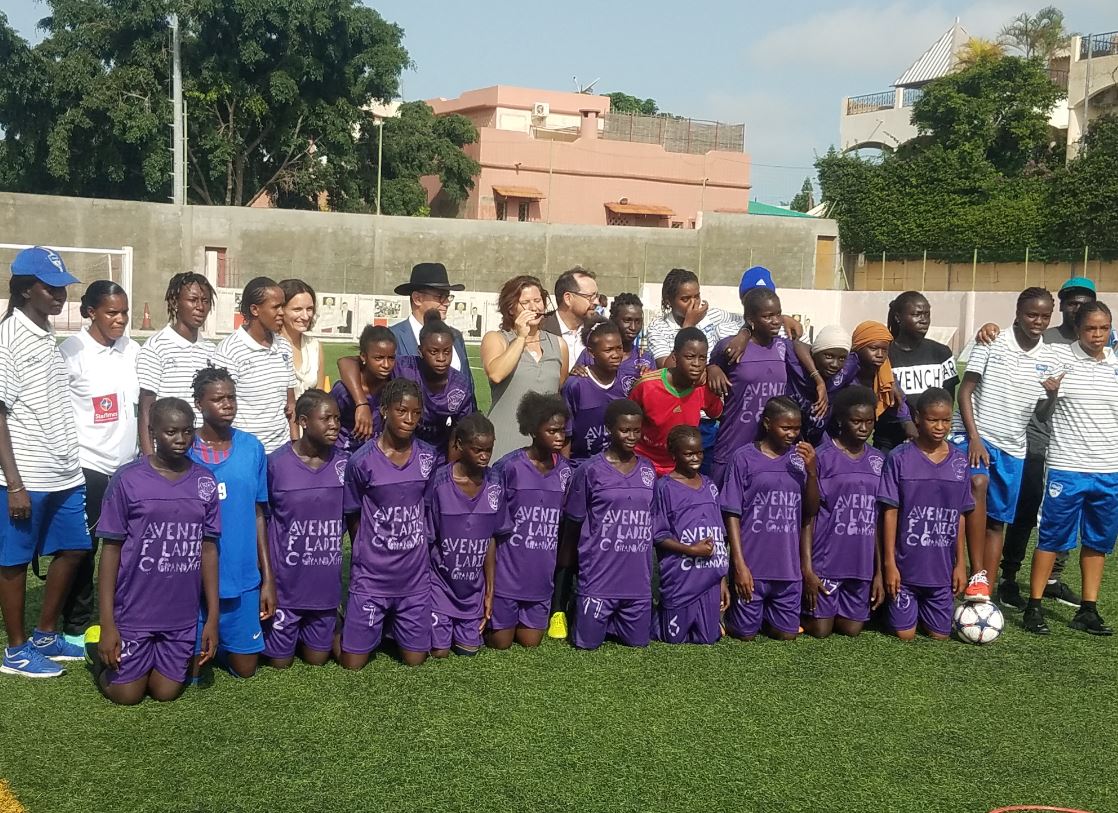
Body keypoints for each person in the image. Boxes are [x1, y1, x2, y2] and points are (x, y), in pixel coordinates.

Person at [974, 277, 1095, 609]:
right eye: (1072, 302)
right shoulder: (1048, 339)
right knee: (1023, 509)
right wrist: (988, 328)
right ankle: (1007, 577)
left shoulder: (1101, 341)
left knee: (1065, 512)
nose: (1079, 308)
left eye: (1086, 302)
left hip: (1077, 445)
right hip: (1033, 439)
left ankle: (1054, 578)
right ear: (1062, 306)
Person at [0, 247, 92, 677]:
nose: (59, 295)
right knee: (14, 560)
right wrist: (14, 483)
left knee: (75, 547)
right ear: (23, 290)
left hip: (64, 471)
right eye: (50, 288)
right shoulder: (9, 338)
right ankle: (16, 650)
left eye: (62, 288)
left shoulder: (45, 333)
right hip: (27, 474)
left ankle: (45, 634)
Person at [91, 398, 220, 704]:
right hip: (135, 610)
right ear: (151, 432)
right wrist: (107, 624)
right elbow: (110, 551)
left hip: (181, 614)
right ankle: (95, 652)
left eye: (187, 431)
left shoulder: (205, 481)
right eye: (171, 432)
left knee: (166, 693)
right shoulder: (128, 479)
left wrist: (212, 617)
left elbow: (209, 550)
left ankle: (150, 658)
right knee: (127, 695)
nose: (180, 440)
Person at [951, 288, 1056, 605]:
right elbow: (964, 391)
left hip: (1014, 448)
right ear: (1018, 312)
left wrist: (1051, 396)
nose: (1037, 321)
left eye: (1044, 316)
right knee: (971, 493)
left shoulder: (1048, 357)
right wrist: (975, 437)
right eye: (1031, 314)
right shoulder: (992, 340)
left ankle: (985, 592)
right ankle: (963, 575)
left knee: (997, 521)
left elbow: (1041, 414)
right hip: (975, 437)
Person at [1024, 302, 1118, 636]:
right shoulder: (1059, 359)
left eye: (1103, 328)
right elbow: (1042, 414)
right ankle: (1034, 607)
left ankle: (1088, 610)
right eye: (1091, 328)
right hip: (1067, 467)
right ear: (1078, 329)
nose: (1098, 335)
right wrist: (1051, 395)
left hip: (1109, 471)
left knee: (1098, 542)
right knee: (1052, 537)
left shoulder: (1116, 364)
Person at [58, 280, 140, 647]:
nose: (121, 319)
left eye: (124, 311)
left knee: (126, 545)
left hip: (127, 467)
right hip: (87, 466)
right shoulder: (71, 352)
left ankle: (125, 614)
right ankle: (75, 625)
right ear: (90, 311)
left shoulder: (132, 349)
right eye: (112, 312)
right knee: (84, 547)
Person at [340, 379, 434, 668]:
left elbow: (426, 507)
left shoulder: (428, 456)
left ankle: (393, 626)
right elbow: (352, 512)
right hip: (372, 577)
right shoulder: (361, 461)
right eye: (401, 410)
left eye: (416, 413)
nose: (409, 419)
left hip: (414, 577)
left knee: (416, 660)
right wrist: (365, 551)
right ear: (384, 411)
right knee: (352, 664)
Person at [188, 367, 275, 678]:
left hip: (242, 580)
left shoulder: (252, 448)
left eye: (231, 398)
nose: (227, 405)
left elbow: (258, 513)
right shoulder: (183, 449)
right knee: (192, 672)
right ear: (199, 403)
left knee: (245, 670)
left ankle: (227, 639)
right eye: (218, 399)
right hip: (194, 584)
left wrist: (267, 579)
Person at [719, 396, 818, 641]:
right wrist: (739, 565)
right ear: (766, 423)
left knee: (786, 636)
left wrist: (812, 472)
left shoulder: (800, 459)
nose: (792, 434)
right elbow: (732, 512)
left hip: (788, 569)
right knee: (745, 635)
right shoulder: (743, 458)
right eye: (785, 427)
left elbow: (811, 510)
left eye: (796, 429)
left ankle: (770, 614)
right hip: (753, 567)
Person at [878, 388, 974, 641]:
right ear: (918, 418)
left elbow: (961, 515)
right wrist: (889, 564)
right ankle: (890, 610)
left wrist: (960, 565)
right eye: (933, 420)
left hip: (940, 572)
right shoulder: (899, 458)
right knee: (904, 634)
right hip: (905, 572)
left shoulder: (959, 461)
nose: (940, 426)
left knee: (940, 635)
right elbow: (890, 511)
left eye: (945, 420)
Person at [562, 399, 656, 650]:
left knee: (638, 644)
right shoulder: (589, 470)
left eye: (636, 430)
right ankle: (576, 602)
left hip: (637, 584)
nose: (631, 436)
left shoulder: (648, 470)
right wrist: (567, 571)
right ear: (609, 429)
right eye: (625, 430)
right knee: (587, 645)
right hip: (598, 580)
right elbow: (573, 522)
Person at [262, 389, 345, 668]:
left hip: (325, 589)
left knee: (317, 660)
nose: (334, 424)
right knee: (279, 663)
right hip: (286, 588)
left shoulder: (346, 463)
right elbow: (263, 517)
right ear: (304, 421)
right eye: (326, 418)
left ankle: (336, 620)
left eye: (337, 418)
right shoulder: (275, 464)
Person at [708, 288, 825, 486]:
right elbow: (712, 362)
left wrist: (818, 379)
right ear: (751, 319)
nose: (776, 321)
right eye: (768, 316)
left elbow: (803, 347)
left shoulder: (782, 347)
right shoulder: (733, 346)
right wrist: (713, 367)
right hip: (735, 440)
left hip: (772, 446)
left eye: (778, 314)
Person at [488, 393, 572, 650]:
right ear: (534, 430)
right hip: (508, 577)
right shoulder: (508, 467)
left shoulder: (567, 472)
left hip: (540, 580)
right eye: (552, 431)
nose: (560, 437)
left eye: (562, 431)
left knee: (530, 643)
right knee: (501, 644)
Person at [800, 386, 885, 638]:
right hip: (827, 560)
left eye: (869, 421)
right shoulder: (823, 457)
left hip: (861, 563)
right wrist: (808, 569)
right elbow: (809, 516)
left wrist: (879, 572)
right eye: (856, 421)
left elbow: (881, 519)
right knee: (820, 630)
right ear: (840, 420)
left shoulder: (879, 460)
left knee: (851, 629)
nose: (863, 428)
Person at [427, 413, 508, 657]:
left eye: (488, 450)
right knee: (438, 652)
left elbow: (492, 537)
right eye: (477, 450)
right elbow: (428, 539)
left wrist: (489, 591)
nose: (484, 456)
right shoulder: (439, 482)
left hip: (472, 590)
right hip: (440, 586)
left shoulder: (495, 481)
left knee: (469, 651)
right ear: (460, 445)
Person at [651, 426, 729, 645]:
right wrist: (691, 550)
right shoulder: (664, 487)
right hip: (681, 578)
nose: (695, 458)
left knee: (708, 639)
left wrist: (721, 580)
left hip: (709, 579)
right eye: (688, 454)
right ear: (674, 454)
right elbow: (658, 535)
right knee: (673, 639)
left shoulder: (711, 486)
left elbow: (719, 538)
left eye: (699, 452)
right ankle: (655, 617)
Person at [482, 275, 568, 460]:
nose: (534, 307)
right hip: (505, 441)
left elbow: (559, 386)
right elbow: (496, 374)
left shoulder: (559, 344)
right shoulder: (497, 338)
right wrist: (521, 337)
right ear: (511, 308)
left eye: (538, 301)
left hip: (543, 447)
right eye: (525, 302)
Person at [214, 276, 296, 454]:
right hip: (245, 452)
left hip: (281, 451)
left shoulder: (284, 347)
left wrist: (294, 443)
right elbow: (219, 408)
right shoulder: (228, 351)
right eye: (276, 307)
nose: (282, 312)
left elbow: (291, 404)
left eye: (283, 306)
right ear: (255, 309)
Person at [136, 272, 217, 451]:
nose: (200, 307)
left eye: (205, 300)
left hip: (201, 450)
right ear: (174, 302)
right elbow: (145, 408)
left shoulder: (212, 350)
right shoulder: (156, 347)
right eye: (193, 300)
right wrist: (149, 457)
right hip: (167, 451)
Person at [628, 327, 724, 476]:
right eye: (690, 357)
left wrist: (714, 373)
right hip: (646, 464)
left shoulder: (704, 387)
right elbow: (628, 423)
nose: (697, 364)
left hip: (682, 468)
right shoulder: (647, 385)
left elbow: (717, 414)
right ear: (675, 357)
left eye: (702, 358)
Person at [875, 291, 958, 451]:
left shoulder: (942, 353)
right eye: (917, 314)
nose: (924, 320)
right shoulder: (884, 354)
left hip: (931, 443)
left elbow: (948, 400)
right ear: (898, 317)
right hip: (890, 441)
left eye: (927, 314)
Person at [394, 312, 476, 463]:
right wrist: (362, 404)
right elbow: (349, 362)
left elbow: (458, 432)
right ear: (420, 351)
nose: (441, 358)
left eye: (447, 352)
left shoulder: (461, 385)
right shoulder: (403, 367)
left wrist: (449, 471)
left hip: (438, 455)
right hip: (399, 450)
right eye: (434, 352)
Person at [387, 262, 472, 393]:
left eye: (448, 296)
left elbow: (468, 386)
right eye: (440, 297)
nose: (447, 302)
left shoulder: (455, 336)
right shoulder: (392, 337)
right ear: (417, 299)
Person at [833, 322, 916, 445]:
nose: (880, 355)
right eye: (873, 349)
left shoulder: (886, 374)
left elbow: (898, 403)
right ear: (858, 347)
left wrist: (908, 423)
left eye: (884, 350)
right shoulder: (846, 369)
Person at [561, 321, 628, 468]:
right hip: (581, 465)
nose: (616, 355)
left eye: (619, 348)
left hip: (617, 466)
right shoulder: (575, 385)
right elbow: (566, 433)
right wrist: (564, 471)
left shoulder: (627, 383)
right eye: (608, 350)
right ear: (591, 352)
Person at [330, 325, 396, 453]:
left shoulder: (392, 387)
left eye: (391, 358)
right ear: (364, 357)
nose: (386, 365)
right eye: (379, 358)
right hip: (343, 455)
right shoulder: (344, 391)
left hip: (374, 457)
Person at [573, 292, 655, 388]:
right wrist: (576, 371)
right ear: (612, 319)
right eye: (627, 320)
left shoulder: (646, 359)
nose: (633, 327)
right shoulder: (590, 354)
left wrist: (647, 380)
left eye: (638, 321)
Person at [540, 266, 599, 372]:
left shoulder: (598, 330)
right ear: (568, 298)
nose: (596, 302)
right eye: (590, 297)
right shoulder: (540, 331)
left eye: (597, 296)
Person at [278, 278, 325, 398]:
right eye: (297, 309)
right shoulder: (268, 346)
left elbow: (320, 395)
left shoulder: (315, 346)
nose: (305, 316)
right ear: (281, 310)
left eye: (309, 309)